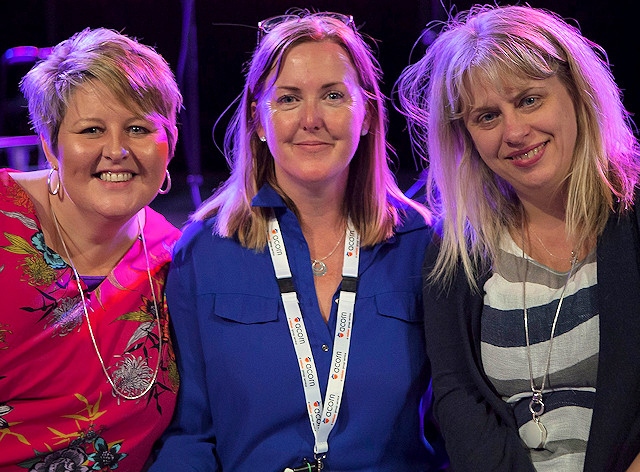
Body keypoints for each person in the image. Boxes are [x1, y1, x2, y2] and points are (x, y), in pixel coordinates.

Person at [150, 10, 446, 472]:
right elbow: (189, 435)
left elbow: (457, 420)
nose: (310, 119)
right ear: (259, 120)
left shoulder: (422, 247)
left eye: (333, 96)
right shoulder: (204, 252)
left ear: (367, 114)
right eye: (288, 99)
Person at [396, 3, 640, 471]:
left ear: (575, 92)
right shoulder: (457, 250)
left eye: (529, 99)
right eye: (487, 117)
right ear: (465, 135)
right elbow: (457, 399)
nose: (514, 131)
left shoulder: (632, 216)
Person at [0, 28, 183, 471]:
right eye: (92, 129)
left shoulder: (180, 263)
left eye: (138, 129)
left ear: (170, 146)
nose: (116, 150)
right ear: (50, 146)